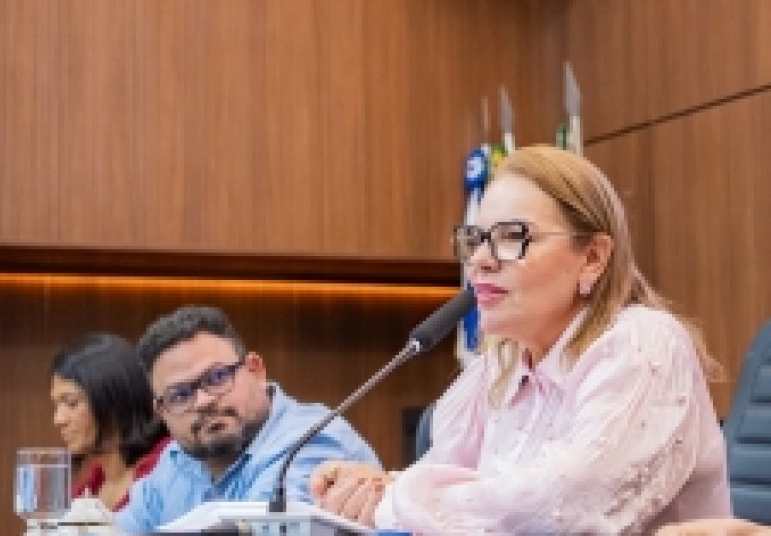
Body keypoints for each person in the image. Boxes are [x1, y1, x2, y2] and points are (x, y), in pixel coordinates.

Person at [309, 145, 731, 533]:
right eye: (475, 240)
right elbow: (459, 488)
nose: (480, 260)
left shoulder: (642, 344)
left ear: (593, 258)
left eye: (512, 237)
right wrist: (379, 489)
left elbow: (565, 505)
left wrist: (399, 500)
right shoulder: (502, 364)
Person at [115, 305, 381, 532]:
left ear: (255, 370)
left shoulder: (311, 441)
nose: (203, 401)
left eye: (217, 377)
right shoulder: (175, 461)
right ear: (162, 412)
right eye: (180, 395)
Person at [50, 332, 170, 510]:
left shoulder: (169, 469)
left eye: (72, 403)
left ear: (115, 401)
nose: (58, 420)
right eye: (56, 405)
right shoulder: (85, 493)